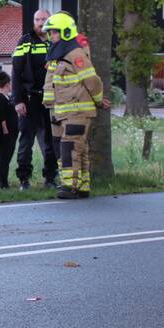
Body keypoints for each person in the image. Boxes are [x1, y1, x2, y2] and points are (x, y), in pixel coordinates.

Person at [42, 12, 110, 199]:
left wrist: (98, 100)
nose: (51, 36)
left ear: (65, 32)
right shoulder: (57, 54)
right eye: (50, 33)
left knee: (70, 147)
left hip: (77, 110)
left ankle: (69, 186)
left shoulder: (76, 54)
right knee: (66, 148)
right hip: (58, 111)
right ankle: (82, 185)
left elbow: (92, 81)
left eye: (54, 32)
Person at [11, 8, 59, 191]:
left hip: (50, 100)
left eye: (44, 19)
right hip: (29, 99)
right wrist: (18, 101)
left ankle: (50, 178)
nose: (40, 23)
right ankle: (24, 179)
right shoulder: (25, 42)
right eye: (37, 19)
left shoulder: (56, 42)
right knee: (26, 141)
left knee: (51, 140)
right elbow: (16, 72)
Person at [0, 71, 18, 189]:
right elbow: (0, 117)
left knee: (6, 159)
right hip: (5, 135)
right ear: (7, 84)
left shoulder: (6, 97)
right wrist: (6, 131)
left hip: (11, 134)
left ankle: (4, 182)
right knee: (3, 159)